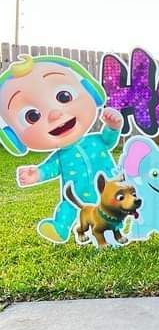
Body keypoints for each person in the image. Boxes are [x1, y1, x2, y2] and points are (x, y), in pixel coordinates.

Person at [0, 55, 122, 243]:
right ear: (13, 136)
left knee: (117, 202)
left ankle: (117, 227)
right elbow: (50, 169)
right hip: (75, 191)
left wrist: (113, 126)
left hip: (109, 188)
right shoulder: (60, 156)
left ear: (91, 92)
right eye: (32, 116)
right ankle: (60, 227)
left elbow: (108, 139)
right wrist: (37, 174)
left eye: (63, 96)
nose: (55, 114)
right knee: (68, 206)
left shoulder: (94, 141)